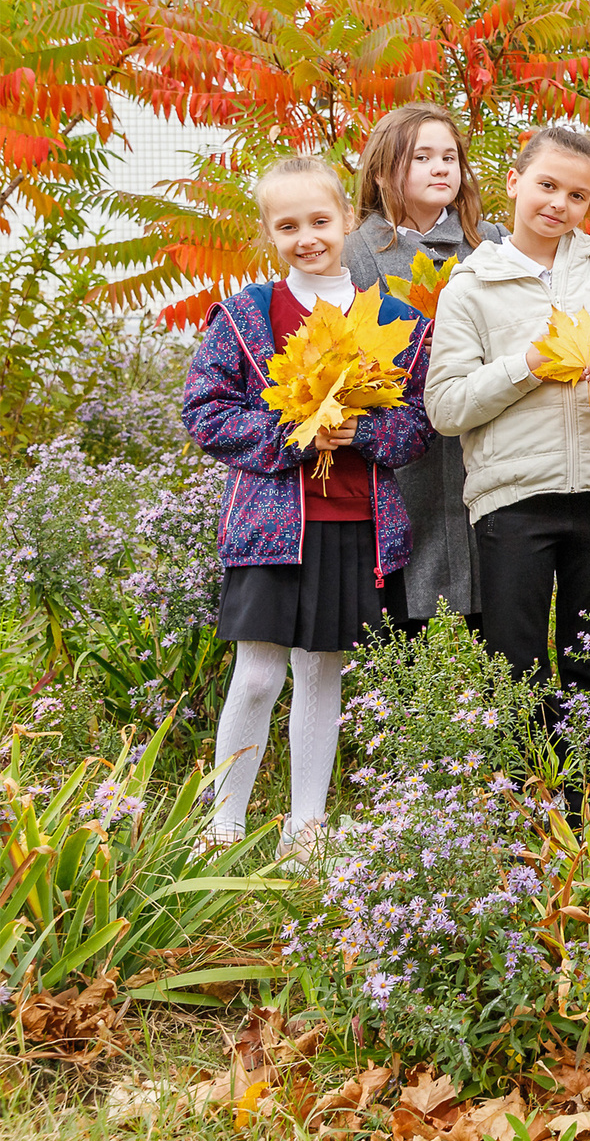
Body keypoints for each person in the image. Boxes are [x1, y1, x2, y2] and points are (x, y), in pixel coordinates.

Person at [185, 157, 432, 849]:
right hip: (270, 529)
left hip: (355, 521)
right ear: (270, 234)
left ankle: (308, 828)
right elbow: (205, 412)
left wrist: (365, 430)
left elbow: (417, 424)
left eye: (319, 221)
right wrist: (291, 433)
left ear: (347, 221)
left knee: (323, 670)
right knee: (259, 673)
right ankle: (223, 827)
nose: (307, 237)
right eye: (287, 226)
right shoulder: (245, 318)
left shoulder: (398, 324)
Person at [424, 126, 590, 743]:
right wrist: (524, 368)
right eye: (547, 185)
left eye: (578, 195)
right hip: (512, 498)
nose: (559, 204)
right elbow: (446, 406)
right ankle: (527, 813)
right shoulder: (470, 286)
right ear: (513, 183)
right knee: (517, 661)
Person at [344, 101, 505, 633]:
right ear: (385, 169)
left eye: (450, 157)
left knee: (498, 614)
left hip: (483, 442)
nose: (442, 168)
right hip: (402, 452)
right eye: (423, 157)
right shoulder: (356, 254)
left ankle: (501, 714)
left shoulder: (492, 243)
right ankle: (401, 712)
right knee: (399, 622)